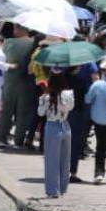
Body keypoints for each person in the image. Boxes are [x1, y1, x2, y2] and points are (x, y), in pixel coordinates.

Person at [38, 69, 75, 198]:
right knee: (65, 160)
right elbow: (70, 107)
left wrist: (43, 98)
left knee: (51, 160)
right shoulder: (69, 94)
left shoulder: (47, 97)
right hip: (65, 125)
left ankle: (53, 190)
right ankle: (63, 188)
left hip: (52, 126)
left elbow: (40, 113)